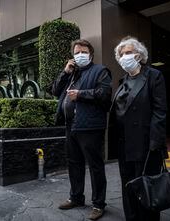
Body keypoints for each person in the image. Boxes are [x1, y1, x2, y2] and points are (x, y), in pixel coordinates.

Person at [109, 36, 168, 221]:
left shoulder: (153, 76)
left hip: (146, 145)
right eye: (122, 54)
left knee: (147, 188)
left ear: (139, 55)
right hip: (124, 144)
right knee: (128, 187)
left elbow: (160, 111)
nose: (125, 56)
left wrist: (155, 142)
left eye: (129, 52)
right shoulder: (123, 81)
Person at [52, 39, 112, 220]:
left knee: (95, 166)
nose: (80, 55)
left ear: (91, 54)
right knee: (74, 163)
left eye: (83, 52)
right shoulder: (71, 74)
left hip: (91, 126)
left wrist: (81, 94)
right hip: (71, 125)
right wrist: (65, 71)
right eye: (76, 52)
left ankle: (98, 204)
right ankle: (76, 197)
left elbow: (105, 94)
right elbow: (55, 91)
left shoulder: (100, 71)